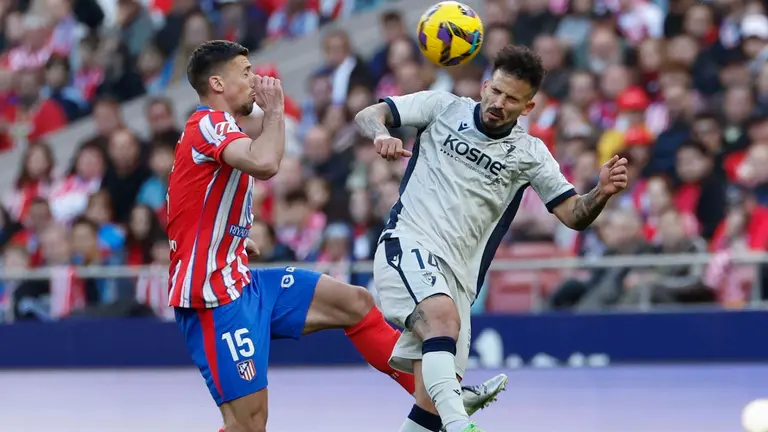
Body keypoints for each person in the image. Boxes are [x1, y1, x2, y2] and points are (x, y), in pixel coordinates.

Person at [166, 40, 504, 432]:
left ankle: (441, 401)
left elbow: (186, 200)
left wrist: (233, 239)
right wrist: (275, 111)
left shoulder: (214, 130)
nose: (255, 79)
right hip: (213, 297)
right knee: (249, 424)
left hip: (241, 280)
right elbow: (264, 164)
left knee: (354, 303)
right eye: (245, 72)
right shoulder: (210, 122)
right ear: (217, 84)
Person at [354, 45, 630, 432]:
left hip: (460, 279)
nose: (499, 103)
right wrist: (380, 133)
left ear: (528, 107)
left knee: (430, 403)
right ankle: (460, 426)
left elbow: (573, 215)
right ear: (485, 86)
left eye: (512, 99)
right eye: (496, 91)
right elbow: (369, 113)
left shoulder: (529, 153)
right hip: (408, 243)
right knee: (441, 323)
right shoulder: (442, 107)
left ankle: (446, 417)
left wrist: (600, 192)